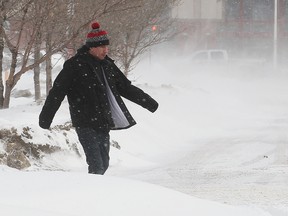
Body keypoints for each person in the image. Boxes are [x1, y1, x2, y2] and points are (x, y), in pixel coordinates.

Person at [39, 22, 159, 175]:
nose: (105, 50)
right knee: (96, 165)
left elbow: (125, 87)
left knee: (104, 163)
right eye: (102, 47)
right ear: (92, 48)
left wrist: (148, 102)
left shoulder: (107, 65)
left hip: (103, 121)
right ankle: (92, 195)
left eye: (107, 47)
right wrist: (45, 118)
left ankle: (94, 191)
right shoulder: (75, 65)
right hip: (84, 122)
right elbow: (57, 92)